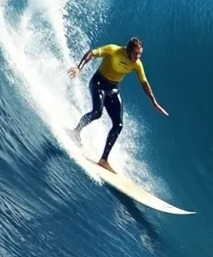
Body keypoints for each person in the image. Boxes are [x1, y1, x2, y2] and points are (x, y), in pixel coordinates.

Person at [68, 37, 168, 172]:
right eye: (136, 53)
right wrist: (79, 68)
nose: (138, 57)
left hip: (113, 89)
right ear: (129, 50)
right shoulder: (113, 50)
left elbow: (144, 82)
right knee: (97, 113)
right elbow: (92, 53)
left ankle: (103, 159)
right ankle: (76, 132)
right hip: (98, 83)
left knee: (118, 125)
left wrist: (154, 102)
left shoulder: (137, 64)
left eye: (140, 54)